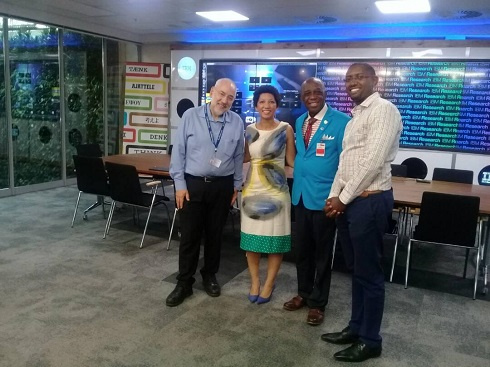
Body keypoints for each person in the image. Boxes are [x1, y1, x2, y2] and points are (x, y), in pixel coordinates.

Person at [322, 63, 403, 362]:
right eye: (348, 78)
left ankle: (371, 340)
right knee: (356, 270)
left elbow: (371, 163)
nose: (352, 82)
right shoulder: (357, 115)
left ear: (374, 80)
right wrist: (334, 196)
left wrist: (342, 199)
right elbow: (347, 162)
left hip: (370, 201)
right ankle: (356, 328)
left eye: (359, 77)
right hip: (352, 201)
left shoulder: (384, 110)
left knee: (369, 274)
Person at [166, 78, 245, 307]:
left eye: (230, 97)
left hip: (222, 186)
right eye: (221, 94)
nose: (224, 100)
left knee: (215, 235)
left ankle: (210, 274)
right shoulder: (191, 116)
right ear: (211, 92)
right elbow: (178, 152)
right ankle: (184, 283)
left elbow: (239, 156)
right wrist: (179, 184)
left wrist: (236, 185)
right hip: (192, 185)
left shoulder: (237, 122)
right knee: (189, 236)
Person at [283, 77, 350, 325]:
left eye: (317, 92)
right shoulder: (300, 121)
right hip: (300, 195)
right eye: (307, 92)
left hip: (325, 200)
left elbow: (346, 163)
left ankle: (318, 303)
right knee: (302, 250)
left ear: (325, 94)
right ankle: (303, 293)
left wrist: (339, 196)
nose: (312, 96)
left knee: (322, 254)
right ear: (302, 96)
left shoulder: (342, 122)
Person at [240, 85, 295, 305]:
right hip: (251, 190)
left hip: (277, 192)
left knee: (275, 241)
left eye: (271, 101)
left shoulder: (286, 129)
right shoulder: (249, 130)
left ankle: (269, 284)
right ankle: (255, 282)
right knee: (251, 243)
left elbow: (291, 160)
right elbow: (244, 157)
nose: (266, 106)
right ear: (255, 105)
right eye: (262, 101)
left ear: (277, 104)